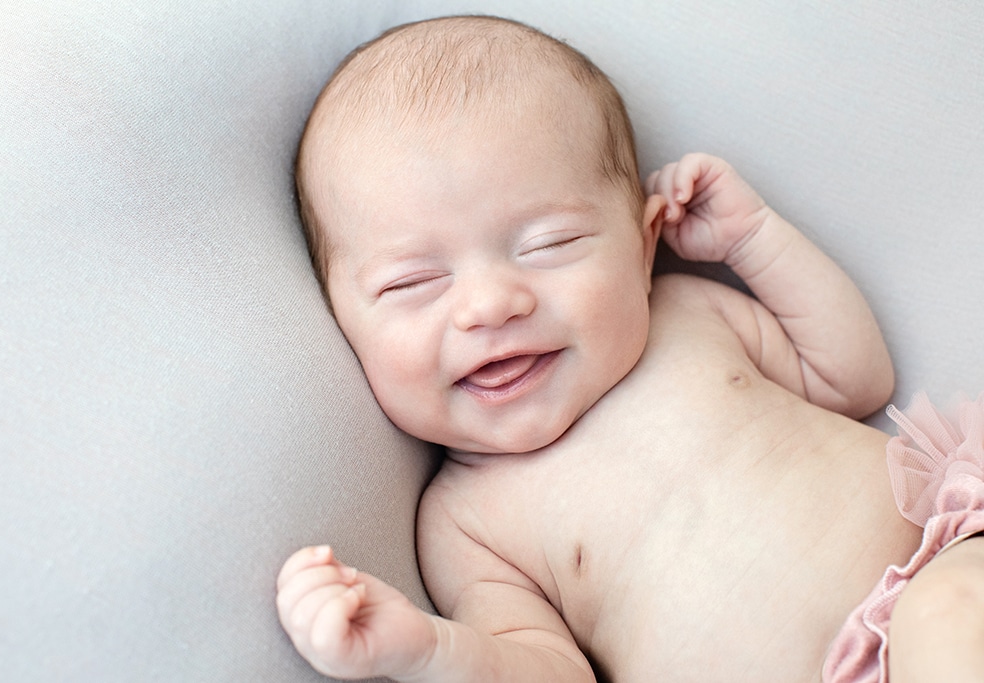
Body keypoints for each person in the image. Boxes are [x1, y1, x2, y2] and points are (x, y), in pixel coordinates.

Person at [275, 14, 984, 683]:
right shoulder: (467, 521)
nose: (489, 305)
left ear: (645, 248)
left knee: (946, 615)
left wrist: (754, 240)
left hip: (933, 575)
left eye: (548, 245)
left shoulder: (685, 317)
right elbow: (551, 669)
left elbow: (855, 376)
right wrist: (428, 649)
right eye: (415, 283)